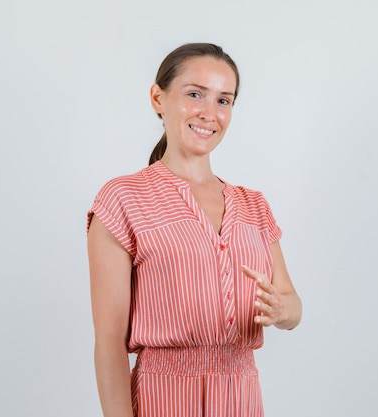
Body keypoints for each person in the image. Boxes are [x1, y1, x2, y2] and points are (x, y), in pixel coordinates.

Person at [87, 42, 302, 417]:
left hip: (242, 398)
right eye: (195, 94)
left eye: (224, 100)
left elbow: (292, 304)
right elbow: (108, 342)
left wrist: (284, 310)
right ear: (158, 98)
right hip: (163, 399)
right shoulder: (122, 199)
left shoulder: (254, 205)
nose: (209, 112)